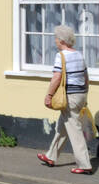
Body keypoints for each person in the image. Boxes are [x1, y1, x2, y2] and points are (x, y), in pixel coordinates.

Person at [38, 24, 93, 174]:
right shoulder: (79, 54)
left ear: (61, 40)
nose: (55, 41)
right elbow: (86, 77)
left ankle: (84, 164)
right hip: (80, 94)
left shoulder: (61, 56)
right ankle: (51, 156)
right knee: (63, 127)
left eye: (56, 38)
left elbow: (57, 77)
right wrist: (85, 94)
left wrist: (49, 95)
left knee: (74, 131)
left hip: (70, 97)